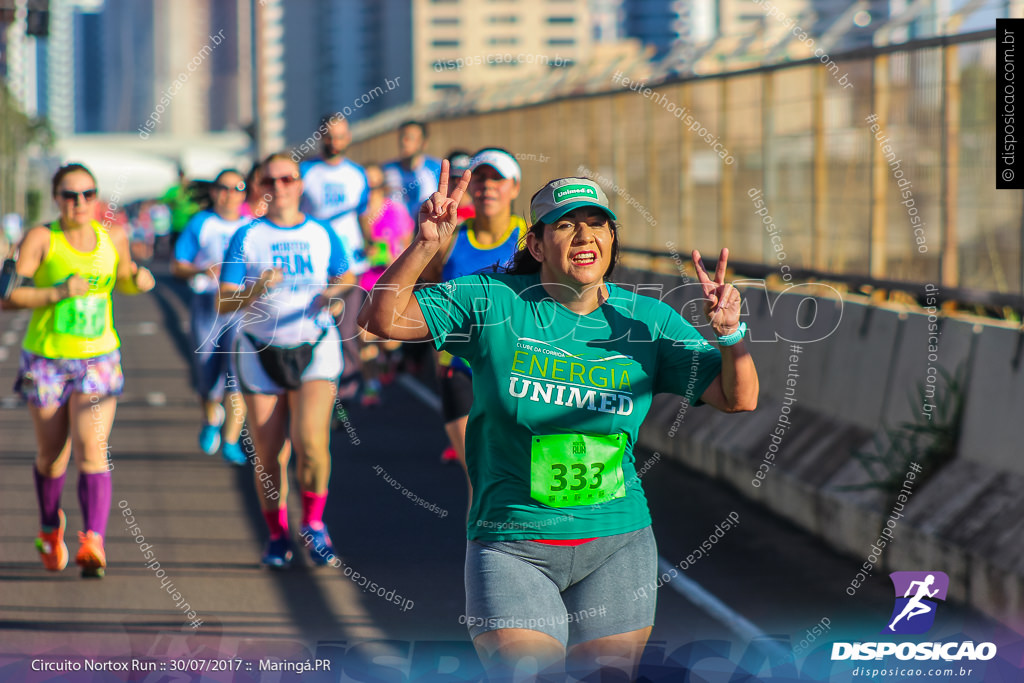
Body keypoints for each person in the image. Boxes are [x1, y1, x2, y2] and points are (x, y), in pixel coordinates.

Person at [359, 165, 758, 681]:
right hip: (512, 543)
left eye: (597, 223)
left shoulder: (648, 322)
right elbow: (382, 318)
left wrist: (731, 335)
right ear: (539, 244)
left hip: (617, 542)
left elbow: (737, 397)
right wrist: (424, 245)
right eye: (565, 224)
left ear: (612, 240)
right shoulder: (494, 300)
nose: (585, 235)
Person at [4, 163, 156, 578]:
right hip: (47, 358)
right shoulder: (42, 238)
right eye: (70, 195)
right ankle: (50, 527)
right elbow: (8, 297)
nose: (80, 203)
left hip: (98, 358)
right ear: (57, 199)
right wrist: (56, 292)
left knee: (93, 448)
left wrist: (138, 280)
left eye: (88, 194)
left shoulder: (113, 238)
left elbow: (122, 278)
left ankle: (94, 540)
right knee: (52, 456)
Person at [217, 153, 350, 568]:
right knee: (269, 452)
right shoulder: (247, 236)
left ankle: (314, 523)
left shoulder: (323, 232)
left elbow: (346, 276)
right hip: (259, 350)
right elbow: (224, 301)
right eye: (269, 180)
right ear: (258, 188)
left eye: (287, 178)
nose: (279, 186)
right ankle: (276, 534)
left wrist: (332, 294)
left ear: (300, 184)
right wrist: (256, 288)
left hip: (314, 345)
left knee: (311, 442)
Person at [421, 148, 525, 471]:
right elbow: (423, 286)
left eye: (497, 179)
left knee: (513, 472)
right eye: (479, 178)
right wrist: (427, 242)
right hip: (459, 368)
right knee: (478, 471)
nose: (487, 187)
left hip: (515, 368)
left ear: (515, 187)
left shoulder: (530, 240)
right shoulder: (451, 238)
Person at [172, 169, 250, 465]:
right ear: (215, 192)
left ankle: (231, 440)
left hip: (241, 308)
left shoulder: (252, 227)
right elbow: (178, 265)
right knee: (206, 372)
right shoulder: (201, 223)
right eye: (224, 188)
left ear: (245, 193)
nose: (230, 194)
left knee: (236, 374)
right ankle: (210, 417)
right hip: (207, 305)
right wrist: (201, 271)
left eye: (237, 188)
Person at [299, 115, 370, 403]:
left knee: (348, 333)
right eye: (329, 136)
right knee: (311, 329)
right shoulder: (304, 172)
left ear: (348, 137)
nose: (334, 142)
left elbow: (363, 216)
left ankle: (343, 396)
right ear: (320, 137)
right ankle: (309, 390)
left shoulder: (356, 174)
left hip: (349, 266)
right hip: (315, 266)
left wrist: (369, 245)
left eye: (340, 136)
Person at [356, 164, 414, 406]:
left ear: (383, 187)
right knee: (363, 336)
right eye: (366, 186)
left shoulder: (396, 211)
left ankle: (390, 355)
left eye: (375, 186)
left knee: (388, 339)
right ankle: (371, 386)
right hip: (362, 280)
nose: (371, 191)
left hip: (389, 280)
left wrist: (394, 256)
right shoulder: (355, 214)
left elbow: (409, 245)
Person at [382, 120, 443, 225]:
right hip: (396, 236)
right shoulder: (386, 171)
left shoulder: (437, 169)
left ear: (424, 143)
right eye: (402, 137)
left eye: (410, 138)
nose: (404, 142)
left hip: (427, 231)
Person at [160, 166, 202, 254]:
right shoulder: (174, 190)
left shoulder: (192, 190)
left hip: (190, 226)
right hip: (177, 226)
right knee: (176, 251)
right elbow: (164, 200)